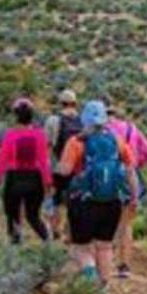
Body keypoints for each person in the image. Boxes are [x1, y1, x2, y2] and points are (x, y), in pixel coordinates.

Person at [55, 100, 142, 283]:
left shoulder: (76, 142)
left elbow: (64, 170)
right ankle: (103, 288)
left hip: (83, 202)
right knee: (105, 246)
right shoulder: (117, 141)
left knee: (81, 248)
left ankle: (90, 277)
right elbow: (130, 171)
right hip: (112, 202)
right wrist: (134, 197)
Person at [103, 103, 147, 278]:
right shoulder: (131, 128)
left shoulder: (101, 131)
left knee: (107, 222)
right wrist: (136, 163)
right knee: (127, 224)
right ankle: (124, 266)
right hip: (129, 177)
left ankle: (105, 264)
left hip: (108, 179)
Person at [0, 98, 54, 244]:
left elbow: (2, 162)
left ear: (16, 116)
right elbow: (44, 162)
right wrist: (48, 182)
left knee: (12, 216)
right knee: (33, 216)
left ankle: (15, 248)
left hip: (15, 179)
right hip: (35, 179)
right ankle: (48, 243)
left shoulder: (10, 135)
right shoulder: (39, 135)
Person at [42, 88, 82, 238]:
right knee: (74, 198)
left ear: (61, 103)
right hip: (77, 166)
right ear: (75, 103)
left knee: (56, 197)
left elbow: (47, 145)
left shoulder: (53, 120)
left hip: (59, 165)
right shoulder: (82, 120)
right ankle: (71, 230)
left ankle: (55, 228)